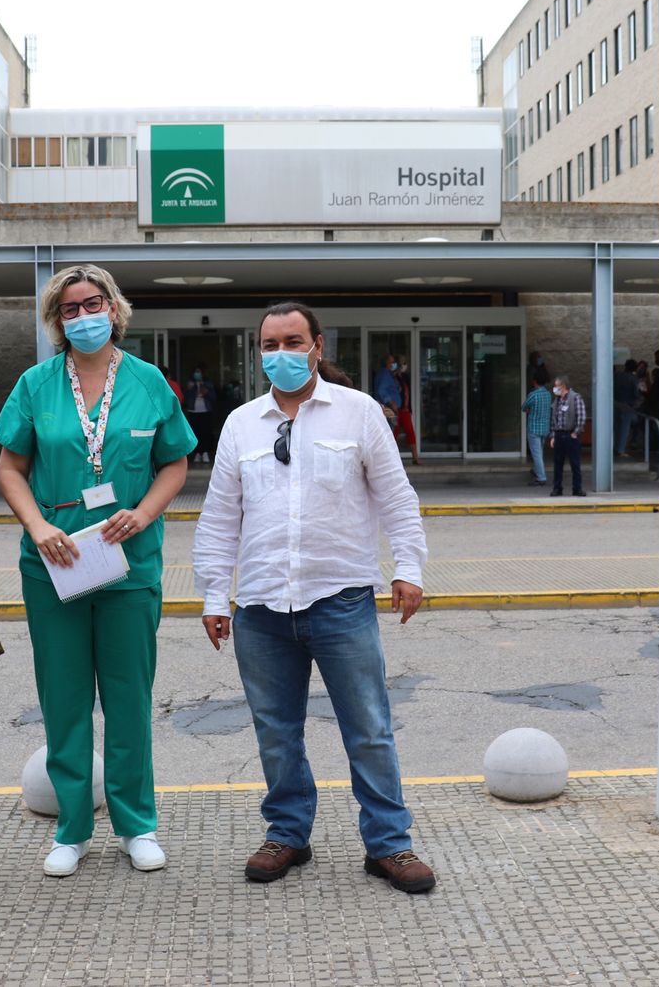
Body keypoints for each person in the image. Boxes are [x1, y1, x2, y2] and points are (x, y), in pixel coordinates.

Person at [194, 302, 436, 895]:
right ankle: (287, 834)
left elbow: (397, 498)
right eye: (269, 344)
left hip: (341, 600)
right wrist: (213, 596)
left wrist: (409, 567)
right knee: (276, 731)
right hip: (261, 608)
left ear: (318, 345)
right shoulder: (241, 425)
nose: (281, 353)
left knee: (369, 728)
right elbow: (221, 516)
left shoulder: (358, 413)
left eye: (292, 341)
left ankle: (388, 845)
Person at [0, 264, 195, 879]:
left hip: (127, 562)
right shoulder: (35, 383)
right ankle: (73, 827)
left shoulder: (148, 381)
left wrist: (142, 513)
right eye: (70, 308)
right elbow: (8, 468)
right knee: (65, 698)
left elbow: (175, 464)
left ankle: (137, 825)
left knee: (129, 698)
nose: (83, 316)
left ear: (115, 308)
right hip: (56, 563)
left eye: (93, 303)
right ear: (57, 320)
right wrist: (38, 527)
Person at [550, 375, 587, 497]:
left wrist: (575, 432)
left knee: (575, 464)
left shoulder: (575, 398)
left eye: (556, 386)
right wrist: (553, 436)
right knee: (557, 464)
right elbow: (553, 419)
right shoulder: (557, 400)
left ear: (563, 386)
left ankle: (577, 488)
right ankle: (557, 488)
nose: (554, 389)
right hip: (559, 435)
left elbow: (581, 417)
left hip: (571, 435)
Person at [183, 364, 218, 464]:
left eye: (199, 372)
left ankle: (205, 452)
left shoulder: (208, 383)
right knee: (195, 432)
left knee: (205, 432)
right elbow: (186, 397)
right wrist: (191, 388)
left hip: (206, 411)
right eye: (196, 372)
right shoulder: (191, 384)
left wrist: (206, 391)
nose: (197, 374)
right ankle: (197, 453)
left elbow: (213, 398)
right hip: (193, 411)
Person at [522, 377, 552, 487]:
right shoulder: (548, 394)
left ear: (534, 381)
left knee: (536, 454)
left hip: (534, 428)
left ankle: (541, 477)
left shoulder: (533, 395)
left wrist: (529, 410)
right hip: (545, 428)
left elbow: (524, 407)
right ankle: (536, 469)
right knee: (540, 452)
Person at [393, 354, 421, 466]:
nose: (403, 366)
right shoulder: (392, 377)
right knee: (394, 434)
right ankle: (391, 459)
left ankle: (415, 457)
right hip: (395, 409)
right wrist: (396, 373)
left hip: (405, 410)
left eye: (404, 363)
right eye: (401, 363)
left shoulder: (406, 377)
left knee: (410, 432)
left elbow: (407, 392)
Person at [613, 359, 640, 457]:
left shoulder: (617, 376)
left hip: (615, 403)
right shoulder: (633, 378)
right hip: (627, 406)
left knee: (616, 427)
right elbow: (636, 393)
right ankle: (621, 450)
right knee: (625, 428)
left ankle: (615, 448)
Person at [373, 353, 403, 433]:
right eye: (391, 362)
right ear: (386, 363)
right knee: (389, 432)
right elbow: (381, 390)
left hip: (388, 408)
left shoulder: (387, 374)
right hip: (388, 408)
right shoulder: (384, 374)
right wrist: (392, 403)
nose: (394, 364)